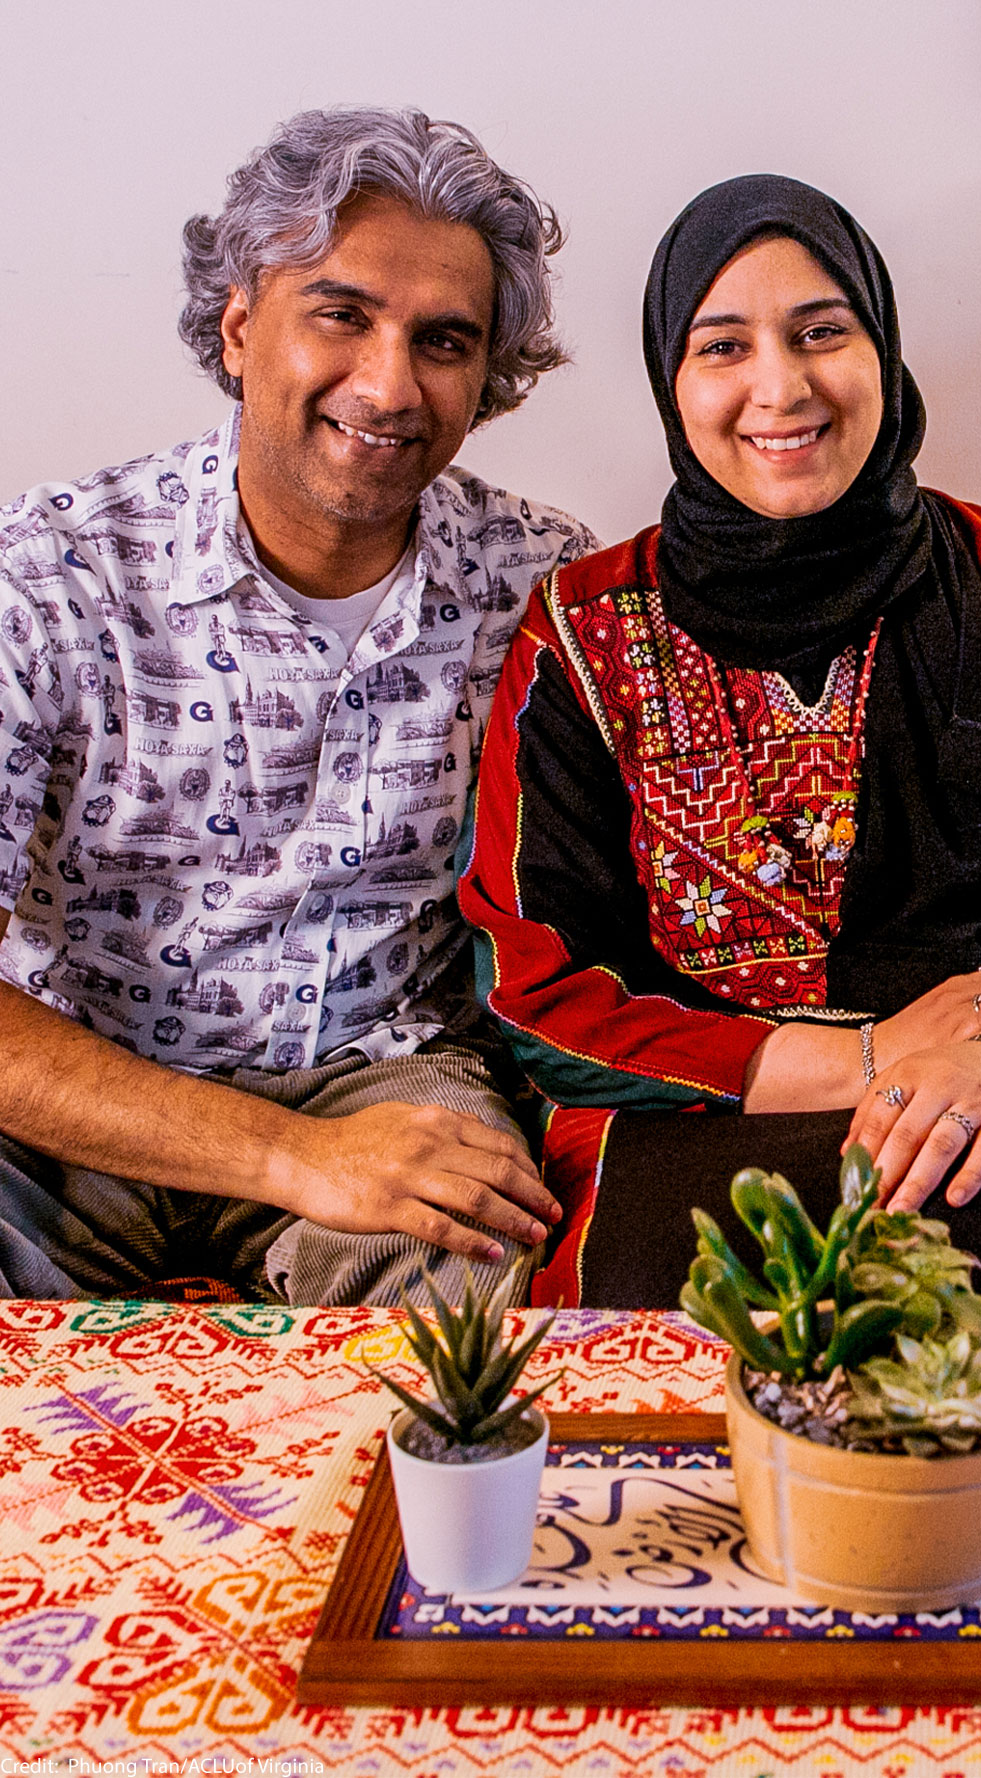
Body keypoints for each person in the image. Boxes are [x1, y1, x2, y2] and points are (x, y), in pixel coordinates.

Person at [0, 106, 599, 1307]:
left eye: (443, 340)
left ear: (487, 379)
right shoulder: (52, 570)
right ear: (236, 324)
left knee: (476, 1305)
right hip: (83, 1087)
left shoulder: (541, 585)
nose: (387, 382)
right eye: (341, 313)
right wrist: (287, 1155)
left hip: (389, 1087)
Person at [458, 174, 981, 1308]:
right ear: (671, 381)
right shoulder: (584, 634)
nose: (779, 386)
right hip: (693, 1131)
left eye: (820, 331)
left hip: (980, 1107)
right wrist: (852, 1062)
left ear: (879, 346)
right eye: (722, 346)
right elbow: (532, 982)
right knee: (664, 1318)